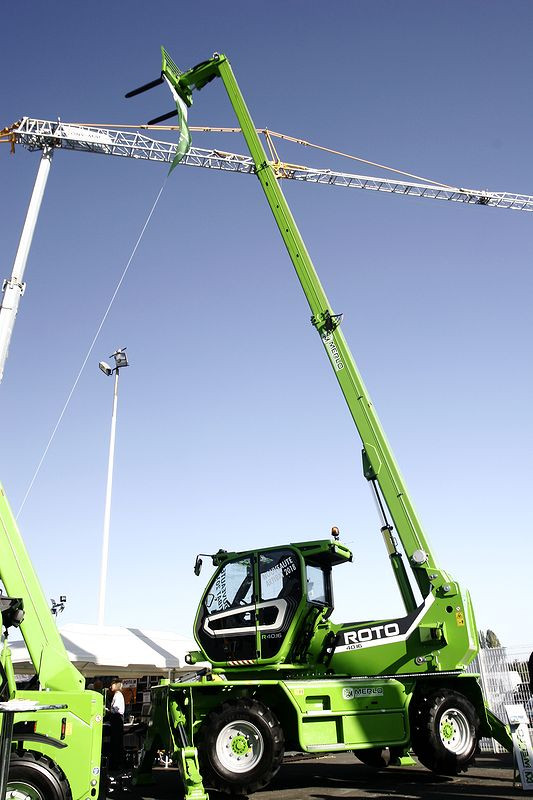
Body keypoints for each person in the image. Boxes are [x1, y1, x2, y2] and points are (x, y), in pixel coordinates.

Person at [108, 680, 125, 769]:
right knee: (117, 741)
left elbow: (115, 709)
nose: (111, 686)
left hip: (117, 718)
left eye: (112, 684)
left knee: (116, 741)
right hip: (117, 718)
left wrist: (108, 710)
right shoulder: (117, 695)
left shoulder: (118, 695)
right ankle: (117, 762)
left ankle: (116, 763)